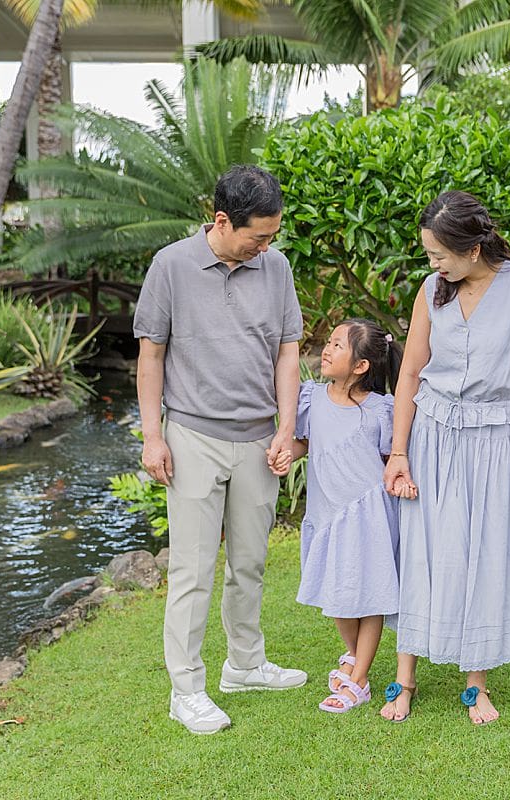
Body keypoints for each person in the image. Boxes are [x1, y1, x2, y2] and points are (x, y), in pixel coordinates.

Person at [132, 165, 308, 736]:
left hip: (259, 440)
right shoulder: (171, 266)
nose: (267, 245)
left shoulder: (275, 268)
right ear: (222, 221)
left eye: (273, 235)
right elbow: (152, 355)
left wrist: (286, 428)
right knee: (192, 569)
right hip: (193, 439)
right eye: (258, 235)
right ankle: (186, 690)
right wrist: (153, 435)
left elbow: (287, 352)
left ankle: (245, 665)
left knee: (250, 563)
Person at [381, 190, 510, 726]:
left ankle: (475, 685)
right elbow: (409, 373)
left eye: (437, 254)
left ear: (472, 250)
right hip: (432, 435)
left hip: (498, 439)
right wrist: (399, 451)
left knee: (485, 551)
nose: (431, 264)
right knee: (423, 550)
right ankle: (404, 679)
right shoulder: (432, 290)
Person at [285, 319, 403, 713]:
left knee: (370, 598)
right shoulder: (311, 398)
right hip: (327, 512)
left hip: (367, 514)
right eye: (329, 342)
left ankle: (361, 679)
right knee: (337, 596)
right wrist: (288, 453)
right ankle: (354, 658)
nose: (327, 349)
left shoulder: (381, 410)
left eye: (337, 345)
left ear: (360, 366)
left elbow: (390, 459)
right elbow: (308, 443)